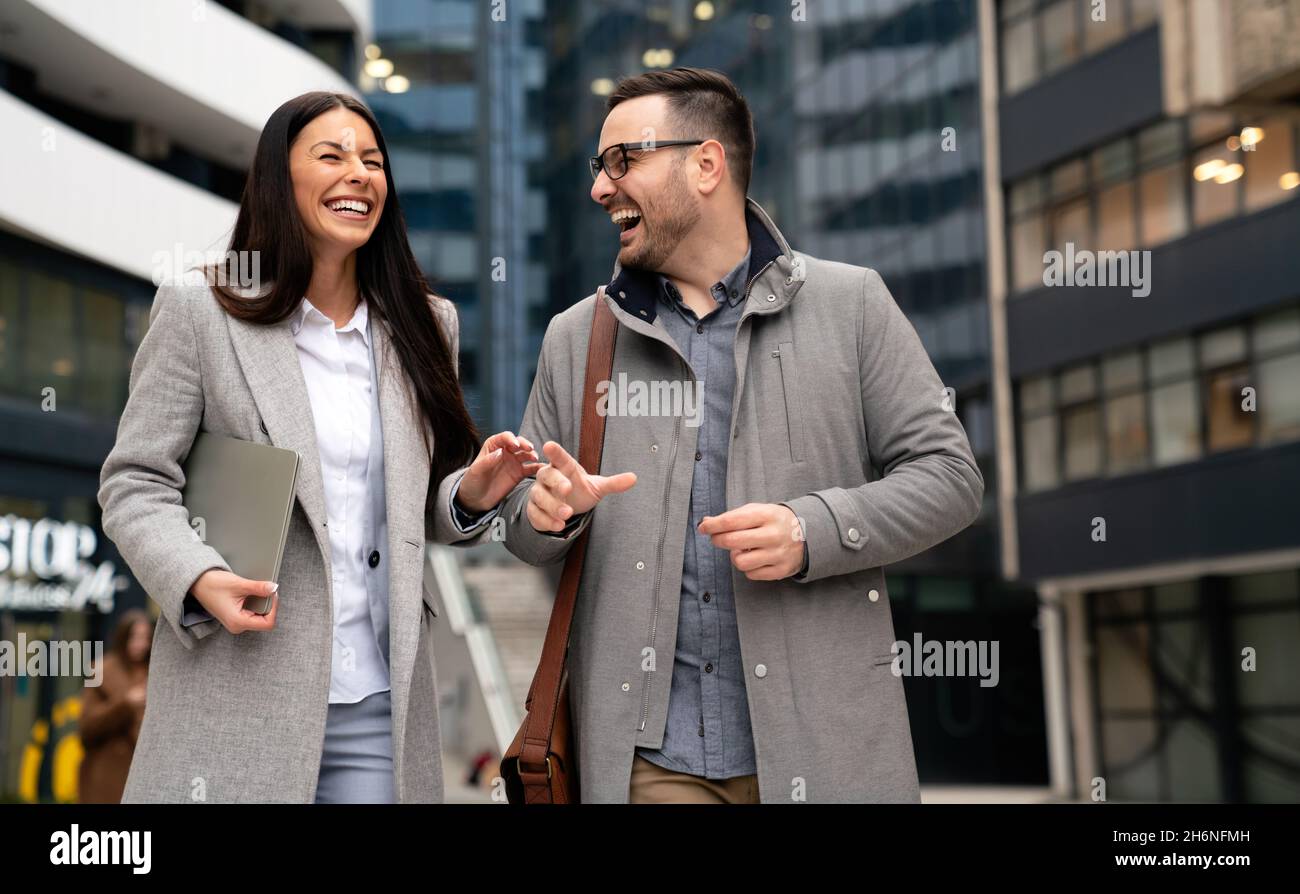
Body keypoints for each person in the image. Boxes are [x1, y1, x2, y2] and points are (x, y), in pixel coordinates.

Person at [495, 68, 984, 803]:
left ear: (706, 164)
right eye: (600, 168)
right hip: (649, 761)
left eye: (623, 161)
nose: (601, 189)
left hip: (824, 750)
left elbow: (950, 478)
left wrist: (810, 528)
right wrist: (543, 513)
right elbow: (521, 530)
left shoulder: (852, 306)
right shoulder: (577, 337)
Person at [98, 91, 537, 803]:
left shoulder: (429, 325)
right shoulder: (200, 312)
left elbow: (408, 510)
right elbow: (134, 482)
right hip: (239, 696)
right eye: (331, 156)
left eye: (372, 161)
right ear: (279, 179)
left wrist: (471, 495)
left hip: (379, 704)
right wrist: (199, 577)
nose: (358, 174)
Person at [78, 609, 152, 803]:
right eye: (134, 637)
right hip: (107, 772)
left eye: (145, 637)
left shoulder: (156, 672)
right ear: (122, 636)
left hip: (145, 770)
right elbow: (87, 728)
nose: (140, 644)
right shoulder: (101, 671)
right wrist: (126, 704)